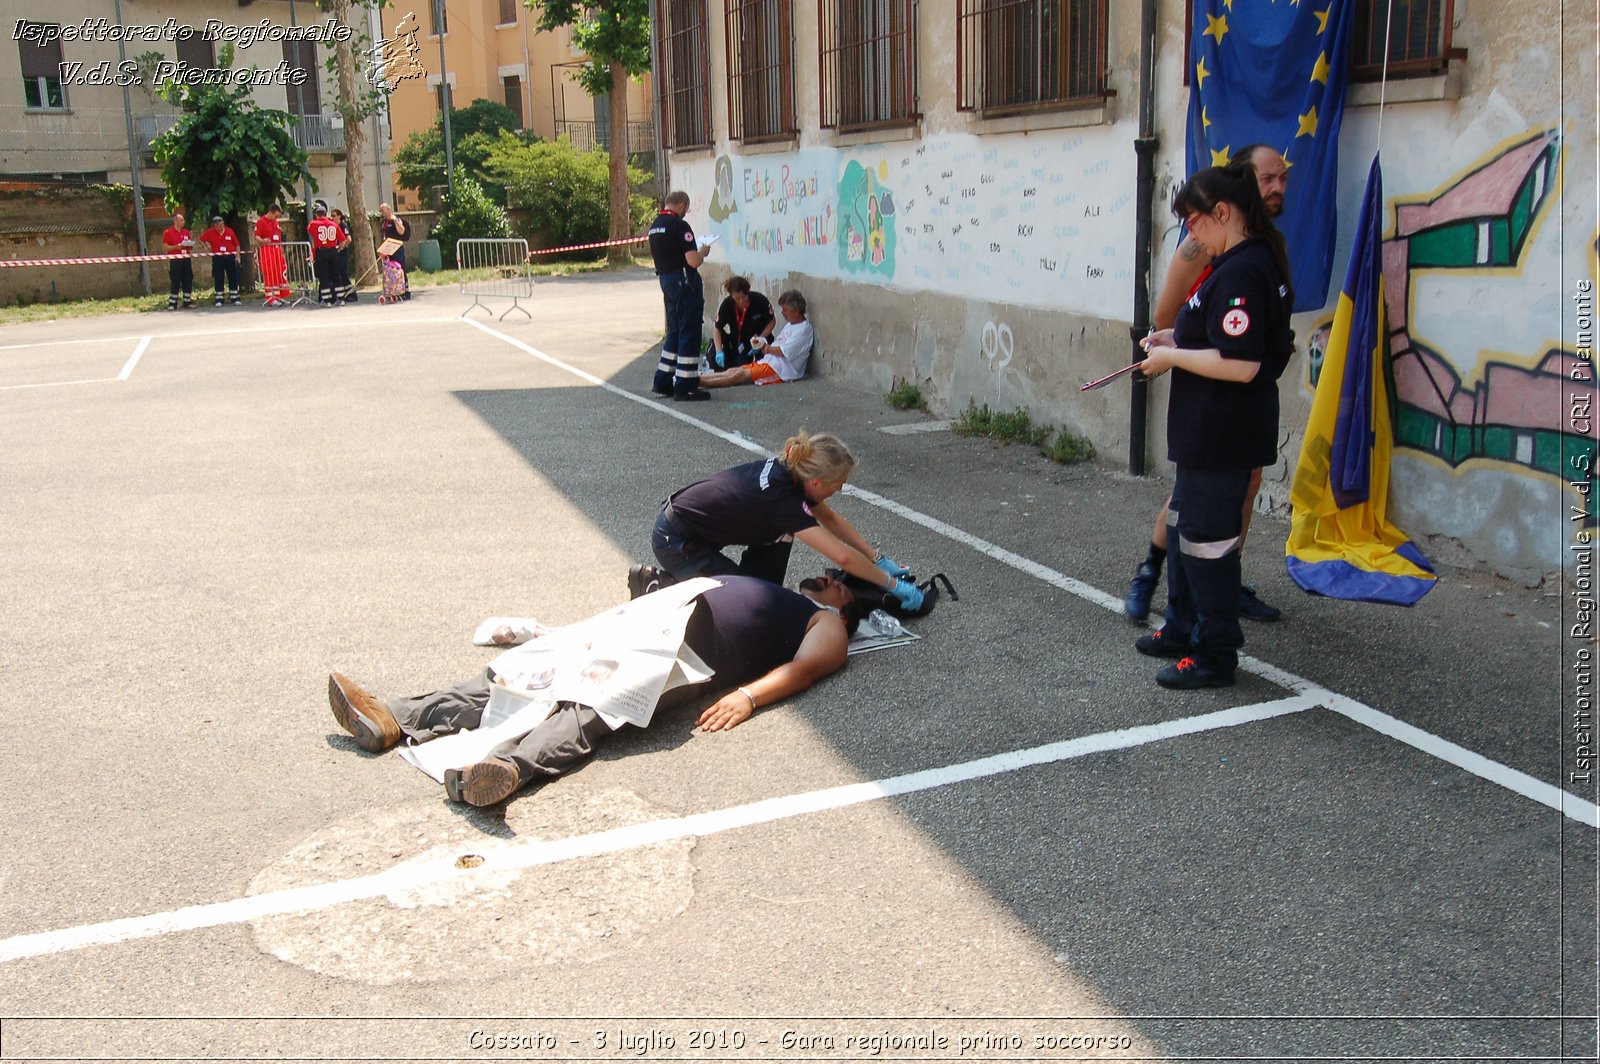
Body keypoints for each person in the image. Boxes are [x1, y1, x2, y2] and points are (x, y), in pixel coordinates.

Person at [327, 574, 860, 806]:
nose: (826, 577)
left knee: (590, 709)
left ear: (843, 600)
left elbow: (809, 669)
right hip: (648, 623)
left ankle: (508, 769)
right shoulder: (785, 593)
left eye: (837, 579)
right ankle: (395, 716)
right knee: (534, 672)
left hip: (684, 656)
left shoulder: (827, 622)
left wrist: (749, 697)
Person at [1131, 161, 1294, 689]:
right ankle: (1180, 626)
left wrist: (1174, 359)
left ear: (1222, 213)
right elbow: (1216, 338)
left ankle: (1214, 652)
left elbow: (1241, 363)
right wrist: (1174, 339)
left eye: (1194, 221)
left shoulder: (1246, 268)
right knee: (1185, 529)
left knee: (1209, 545)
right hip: (1205, 432)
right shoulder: (1232, 263)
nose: (1190, 233)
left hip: (1225, 433)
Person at [640, 430, 926, 612]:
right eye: (840, 483)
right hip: (677, 540)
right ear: (815, 481)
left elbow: (830, 518)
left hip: (694, 530)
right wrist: (892, 585)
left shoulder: (792, 472)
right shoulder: (782, 500)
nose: (841, 489)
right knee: (746, 610)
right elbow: (842, 557)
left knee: (769, 592)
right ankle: (658, 586)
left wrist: (876, 557)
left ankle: (747, 587)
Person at [648, 190, 713, 402]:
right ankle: (685, 384)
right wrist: (703, 251)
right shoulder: (680, 226)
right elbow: (693, 261)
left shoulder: (655, 226)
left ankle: (663, 380)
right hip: (684, 281)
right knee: (690, 329)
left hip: (666, 280)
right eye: (687, 207)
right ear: (682, 204)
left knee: (674, 330)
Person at [700, 290, 813, 389]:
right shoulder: (791, 324)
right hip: (770, 362)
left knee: (740, 375)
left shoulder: (803, 330)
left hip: (781, 370)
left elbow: (783, 351)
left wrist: (766, 348)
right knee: (735, 370)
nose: (782, 313)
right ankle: (699, 378)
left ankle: (700, 382)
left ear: (796, 311)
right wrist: (761, 342)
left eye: (785, 310)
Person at [708, 275, 774, 370]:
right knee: (740, 368)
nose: (741, 301)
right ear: (732, 296)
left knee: (765, 367)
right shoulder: (727, 305)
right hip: (740, 343)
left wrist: (761, 338)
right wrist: (719, 351)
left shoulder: (759, 300)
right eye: (737, 298)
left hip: (760, 339)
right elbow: (717, 328)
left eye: (744, 297)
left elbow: (772, 321)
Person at [199, 215, 241, 307]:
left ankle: (235, 298)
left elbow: (237, 244)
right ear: (214, 226)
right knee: (218, 277)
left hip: (229, 256)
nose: (220, 227)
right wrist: (206, 248)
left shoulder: (229, 231)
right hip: (218, 257)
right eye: (217, 226)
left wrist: (237, 256)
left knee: (233, 277)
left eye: (221, 225)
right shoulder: (210, 232)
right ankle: (219, 299)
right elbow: (201, 239)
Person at [308, 205, 344, 306]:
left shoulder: (313, 223)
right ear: (326, 214)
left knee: (324, 276)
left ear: (317, 215)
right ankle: (341, 298)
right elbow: (343, 239)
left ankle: (327, 300)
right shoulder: (334, 225)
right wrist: (339, 248)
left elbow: (311, 232)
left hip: (321, 251)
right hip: (333, 251)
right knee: (336, 275)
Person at [254, 205, 289, 306]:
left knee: (278, 273)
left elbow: (278, 237)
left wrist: (282, 251)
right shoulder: (261, 222)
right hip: (267, 250)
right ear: (271, 212)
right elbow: (256, 236)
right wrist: (263, 241)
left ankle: (278, 296)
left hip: (277, 250)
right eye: (276, 216)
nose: (276, 218)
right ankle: (270, 297)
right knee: (269, 273)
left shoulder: (275, 222)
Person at [161, 211, 195, 310]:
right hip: (176, 260)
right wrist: (177, 247)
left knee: (188, 279)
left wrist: (189, 245)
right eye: (182, 220)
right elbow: (165, 247)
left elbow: (190, 247)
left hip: (186, 259)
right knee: (175, 280)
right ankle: (172, 303)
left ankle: (187, 302)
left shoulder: (186, 232)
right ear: (175, 221)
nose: (184, 222)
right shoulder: (168, 232)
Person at [378, 202, 411, 300]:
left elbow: (401, 231)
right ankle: (392, 291)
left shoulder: (396, 219)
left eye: (382, 210)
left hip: (397, 248)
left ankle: (405, 290)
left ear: (388, 209)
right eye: (380, 211)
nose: (381, 213)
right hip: (388, 249)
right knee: (389, 271)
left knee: (400, 269)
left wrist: (395, 220)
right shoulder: (384, 223)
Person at [330, 208, 357, 303]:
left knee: (343, 274)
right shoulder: (332, 225)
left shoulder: (343, 225)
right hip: (336, 252)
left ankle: (351, 294)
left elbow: (348, 239)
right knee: (337, 274)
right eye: (331, 215)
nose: (332, 217)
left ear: (339, 216)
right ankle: (340, 294)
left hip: (342, 252)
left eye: (333, 215)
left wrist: (341, 247)